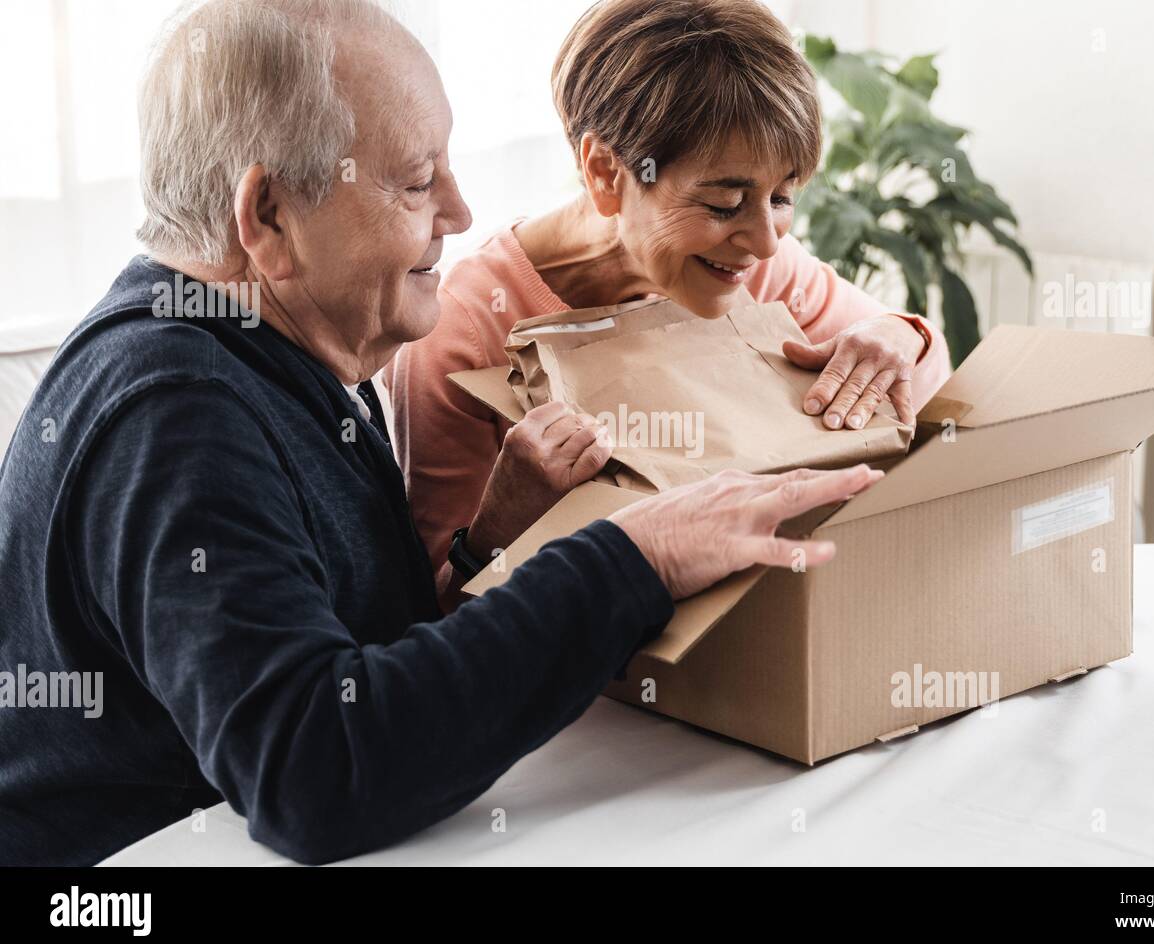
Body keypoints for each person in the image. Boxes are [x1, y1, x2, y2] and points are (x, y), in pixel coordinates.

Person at [0, 0, 879, 866]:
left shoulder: (283, 362)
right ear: (267, 217)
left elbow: (371, 650)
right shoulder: (175, 414)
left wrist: (487, 541)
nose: (460, 212)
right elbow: (316, 771)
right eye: (418, 181)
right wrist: (635, 557)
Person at [388, 0, 953, 603]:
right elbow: (433, 616)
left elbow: (933, 377)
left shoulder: (755, 272)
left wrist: (898, 335)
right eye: (722, 204)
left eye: (783, 196)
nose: (764, 241)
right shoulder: (465, 329)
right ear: (606, 172)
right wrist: (506, 517)